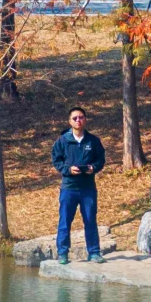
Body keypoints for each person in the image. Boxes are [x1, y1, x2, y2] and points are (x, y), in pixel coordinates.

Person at [49, 106, 106, 264]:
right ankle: (62, 253)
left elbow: (100, 160)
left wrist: (93, 168)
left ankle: (94, 253)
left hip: (88, 188)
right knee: (65, 221)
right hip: (69, 188)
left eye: (81, 117)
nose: (78, 120)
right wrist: (68, 170)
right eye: (75, 118)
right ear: (70, 121)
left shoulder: (93, 141)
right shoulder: (63, 140)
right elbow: (56, 160)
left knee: (90, 220)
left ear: (85, 119)